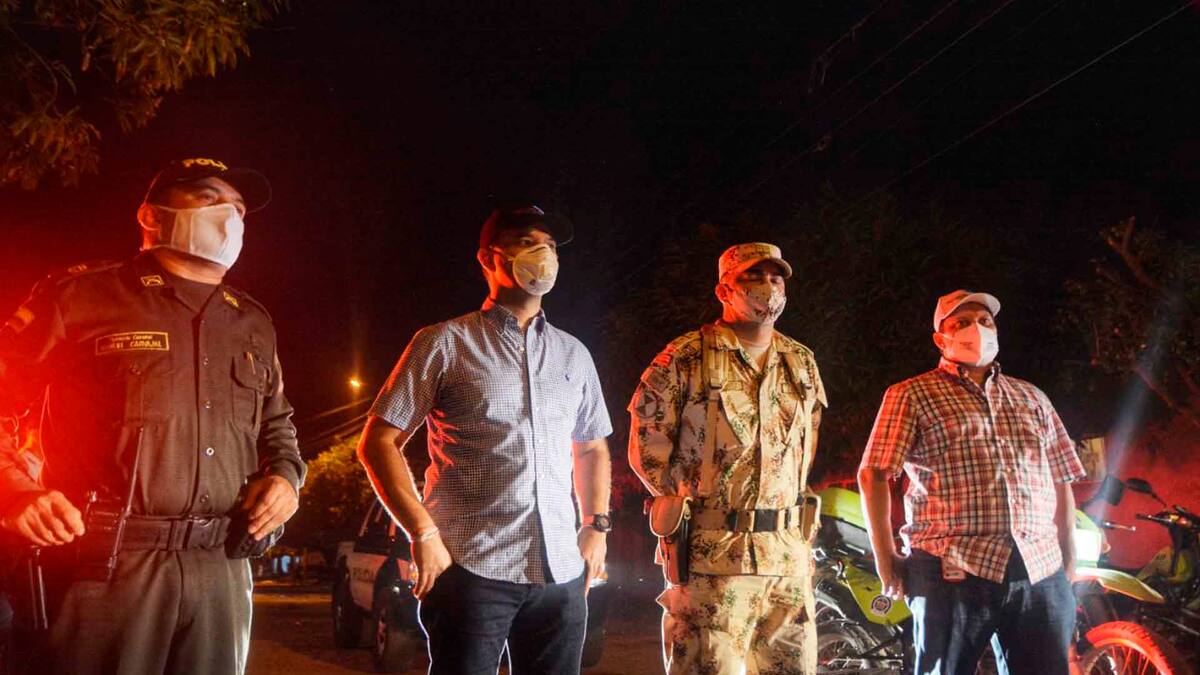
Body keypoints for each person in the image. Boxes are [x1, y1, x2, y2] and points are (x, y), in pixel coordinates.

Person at [0, 157, 305, 675]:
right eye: (208, 198)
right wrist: (15, 493)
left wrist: (287, 478)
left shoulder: (251, 321)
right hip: (105, 569)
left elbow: (278, 426)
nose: (228, 216)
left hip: (221, 568)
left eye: (238, 208)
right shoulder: (79, 296)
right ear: (150, 216)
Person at [357, 204, 613, 675]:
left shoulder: (573, 354)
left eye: (550, 246)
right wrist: (422, 533)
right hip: (471, 568)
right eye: (525, 242)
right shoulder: (443, 343)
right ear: (488, 258)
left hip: (560, 568)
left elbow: (592, 446)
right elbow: (378, 442)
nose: (542, 254)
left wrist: (595, 526)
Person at [858, 289, 1085, 675]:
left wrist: (1068, 556)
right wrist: (885, 557)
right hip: (950, 569)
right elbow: (874, 474)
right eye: (961, 323)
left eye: (984, 321)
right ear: (940, 339)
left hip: (1039, 568)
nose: (976, 329)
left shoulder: (1032, 397)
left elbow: (1060, 476)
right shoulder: (911, 394)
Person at [629, 242, 827, 675]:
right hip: (712, 561)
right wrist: (692, 510)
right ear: (723, 291)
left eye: (775, 278)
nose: (767, 287)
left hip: (787, 560)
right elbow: (648, 450)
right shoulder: (685, 357)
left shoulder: (800, 361)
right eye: (753, 277)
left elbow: (805, 445)